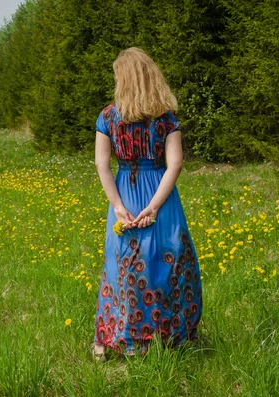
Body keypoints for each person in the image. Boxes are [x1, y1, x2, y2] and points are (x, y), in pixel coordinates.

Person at [92, 47, 202, 361]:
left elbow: (102, 164)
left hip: (125, 192)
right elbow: (175, 164)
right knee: (167, 264)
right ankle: (172, 338)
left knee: (121, 268)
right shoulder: (167, 119)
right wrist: (154, 207)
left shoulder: (107, 117)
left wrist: (116, 205)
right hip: (161, 196)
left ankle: (114, 338)